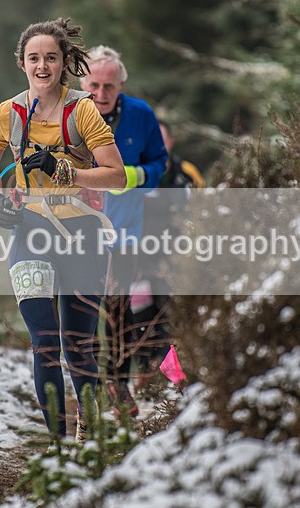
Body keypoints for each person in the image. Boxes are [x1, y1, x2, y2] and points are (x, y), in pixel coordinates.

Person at [0, 19, 126, 442]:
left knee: (78, 343)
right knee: (44, 340)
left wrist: (64, 169)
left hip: (82, 231)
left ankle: (91, 436)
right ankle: (59, 446)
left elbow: (116, 176)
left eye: (51, 58)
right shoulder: (7, 113)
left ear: (64, 64)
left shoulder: (81, 110)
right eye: (34, 58)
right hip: (30, 229)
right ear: (21, 64)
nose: (42, 66)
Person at [79, 45, 168, 417]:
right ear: (82, 82)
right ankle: (85, 386)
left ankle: (119, 382)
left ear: (121, 85)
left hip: (125, 230)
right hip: (76, 230)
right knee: (82, 306)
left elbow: (160, 164)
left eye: (109, 87)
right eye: (94, 85)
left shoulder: (140, 115)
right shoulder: (67, 114)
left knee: (118, 309)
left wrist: (132, 176)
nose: (101, 94)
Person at [132, 122, 205, 385]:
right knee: (139, 320)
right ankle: (143, 376)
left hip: (172, 258)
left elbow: (200, 212)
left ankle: (176, 379)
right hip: (137, 260)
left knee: (170, 319)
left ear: (171, 141)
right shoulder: (133, 173)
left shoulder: (186, 174)